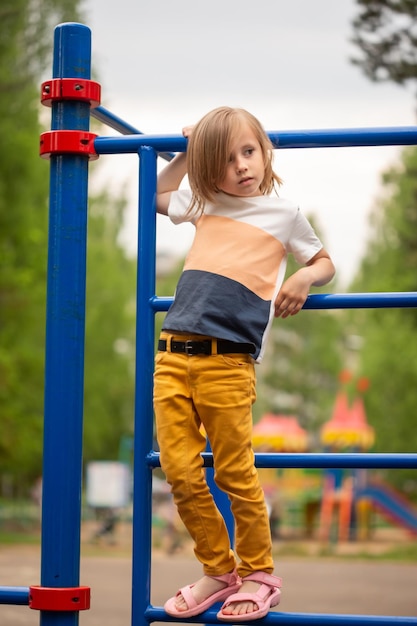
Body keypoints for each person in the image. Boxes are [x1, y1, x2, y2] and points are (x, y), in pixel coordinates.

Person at [153, 106, 335, 621]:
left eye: (249, 152)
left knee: (235, 472)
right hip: (172, 355)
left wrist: (302, 278)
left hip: (228, 363)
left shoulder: (284, 214)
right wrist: (188, 153)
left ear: (264, 151)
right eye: (227, 158)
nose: (241, 167)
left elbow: (322, 261)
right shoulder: (205, 201)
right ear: (210, 169)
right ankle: (218, 569)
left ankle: (258, 574)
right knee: (181, 474)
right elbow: (156, 196)